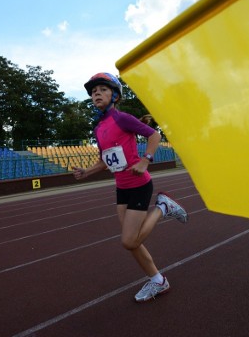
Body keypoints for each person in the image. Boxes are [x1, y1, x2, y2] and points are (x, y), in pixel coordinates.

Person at [73, 72, 188, 302]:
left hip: (139, 184)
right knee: (133, 241)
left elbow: (154, 135)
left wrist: (146, 160)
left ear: (115, 95)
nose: (97, 93)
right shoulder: (99, 128)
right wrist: (86, 172)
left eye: (102, 89)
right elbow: (106, 160)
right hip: (122, 188)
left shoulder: (122, 118)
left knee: (128, 241)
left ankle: (163, 207)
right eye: (94, 91)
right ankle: (158, 280)